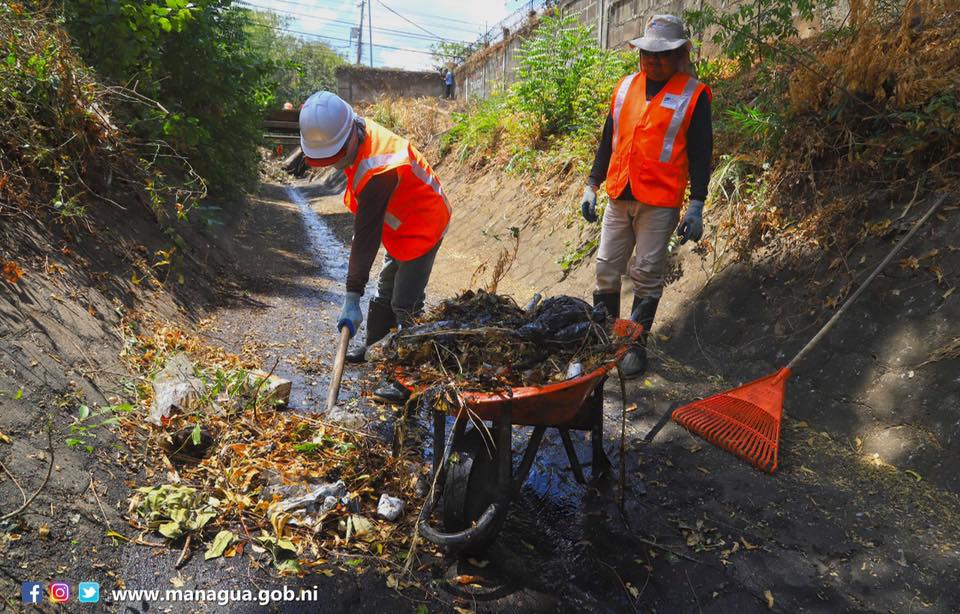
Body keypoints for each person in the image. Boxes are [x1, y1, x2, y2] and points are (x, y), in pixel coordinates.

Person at [580, 14, 713, 378]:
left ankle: (634, 346)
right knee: (606, 268)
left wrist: (697, 204)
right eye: (648, 54)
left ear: (680, 54)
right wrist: (591, 185)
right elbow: (609, 139)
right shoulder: (625, 88)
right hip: (619, 192)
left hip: (660, 200)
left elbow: (702, 153)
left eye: (663, 54)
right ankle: (607, 341)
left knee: (647, 273)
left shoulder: (693, 94)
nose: (653, 61)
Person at [299, 91, 451, 403]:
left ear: (349, 136)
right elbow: (369, 226)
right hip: (399, 219)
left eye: (339, 157)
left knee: (405, 301)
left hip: (424, 222)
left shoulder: (380, 168)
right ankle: (374, 348)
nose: (339, 164)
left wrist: (352, 296)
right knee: (385, 287)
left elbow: (366, 237)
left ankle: (405, 378)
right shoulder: (353, 135)